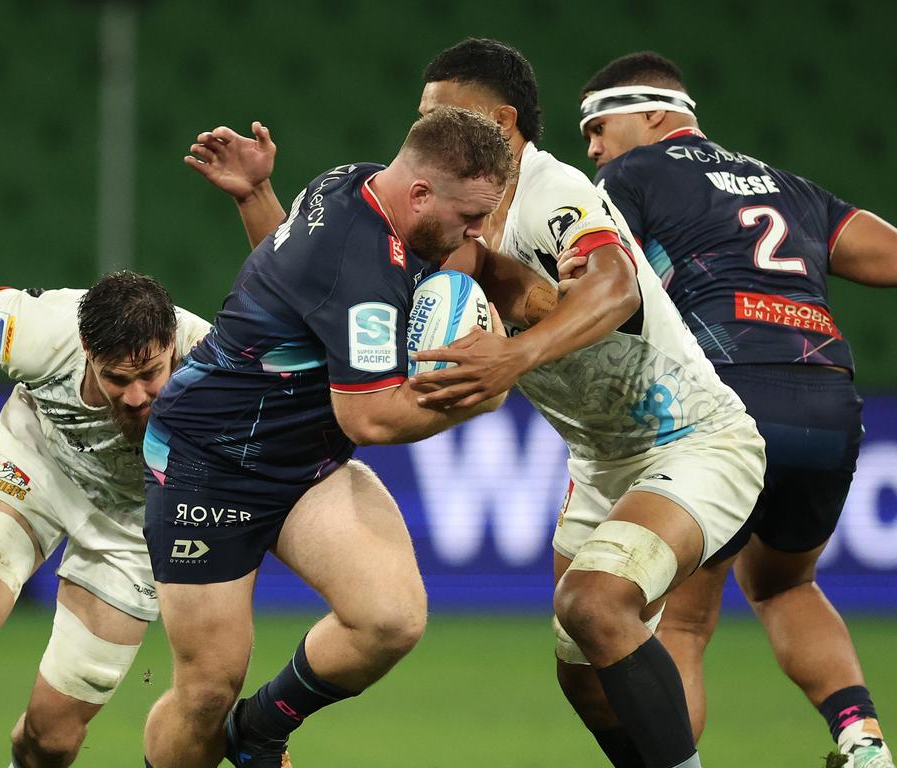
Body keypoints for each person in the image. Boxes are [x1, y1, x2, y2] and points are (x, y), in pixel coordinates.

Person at [204, 39, 766, 768]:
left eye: (442, 114)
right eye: (420, 117)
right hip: (602, 462)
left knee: (595, 606)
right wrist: (258, 199)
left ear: (502, 124)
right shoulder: (446, 215)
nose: (423, 132)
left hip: (697, 440)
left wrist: (514, 353)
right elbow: (309, 285)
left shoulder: (550, 189)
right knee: (586, 680)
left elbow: (615, 286)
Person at [565, 51, 897, 768]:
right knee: (787, 583)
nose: (595, 147)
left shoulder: (626, 179)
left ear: (655, 113)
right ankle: (863, 739)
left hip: (723, 402)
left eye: (599, 127)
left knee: (683, 621)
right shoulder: (792, 188)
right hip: (827, 402)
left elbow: (596, 285)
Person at [140, 106, 516, 768]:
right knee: (204, 692)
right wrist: (480, 395)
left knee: (389, 618)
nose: (477, 234)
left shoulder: (355, 181)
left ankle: (257, 732)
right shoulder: (364, 268)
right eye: (470, 216)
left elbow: (290, 272)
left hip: (303, 462)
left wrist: (257, 195)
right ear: (421, 193)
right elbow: (368, 419)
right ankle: (231, 728)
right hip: (208, 462)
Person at [0, 272, 211, 768]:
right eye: (117, 378)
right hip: (36, 467)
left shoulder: (216, 365)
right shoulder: (40, 333)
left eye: (150, 373)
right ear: (87, 348)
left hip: (132, 525)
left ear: (171, 344)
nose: (136, 397)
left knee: (50, 740)